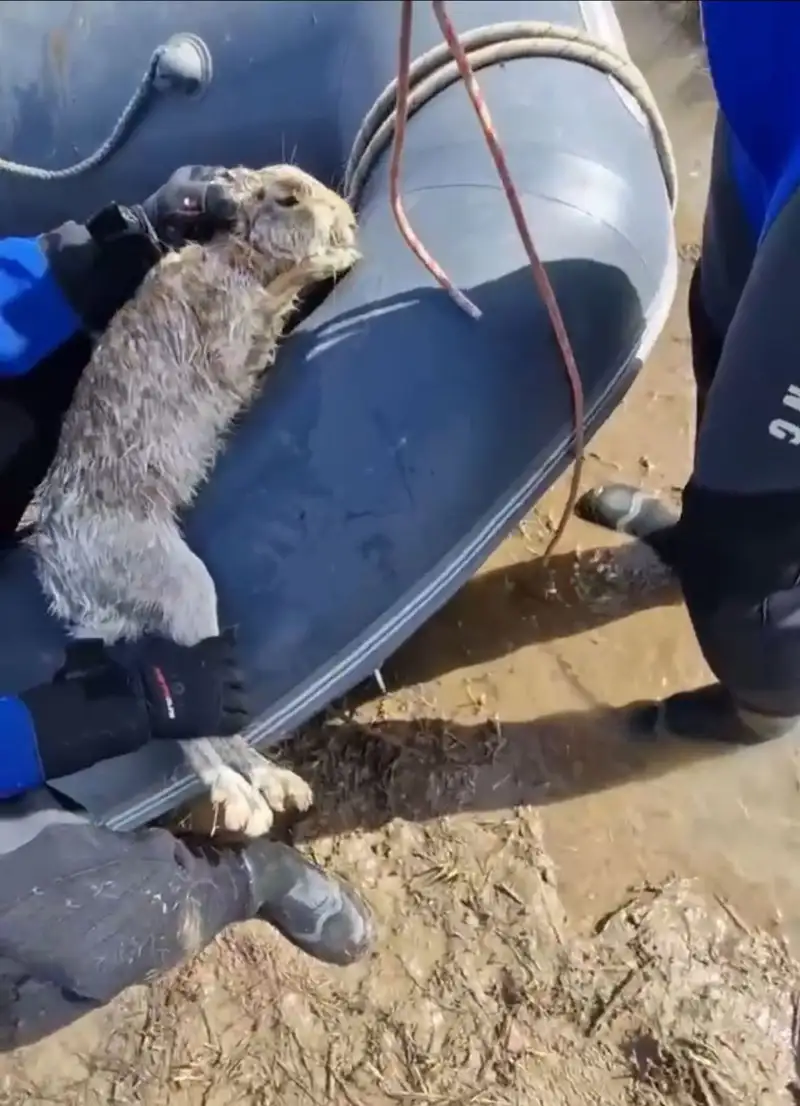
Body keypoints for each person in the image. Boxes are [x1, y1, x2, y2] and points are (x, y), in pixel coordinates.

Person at [0, 168, 373, 1049]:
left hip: (79, 497)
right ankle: (247, 880)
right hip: (100, 535)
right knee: (86, 933)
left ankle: (221, 761)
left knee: (47, 384)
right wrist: (66, 724)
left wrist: (100, 248)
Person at [576, 0, 800, 743]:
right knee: (720, 334)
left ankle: (768, 699)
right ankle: (712, 530)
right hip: (771, 101)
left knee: (746, 554)